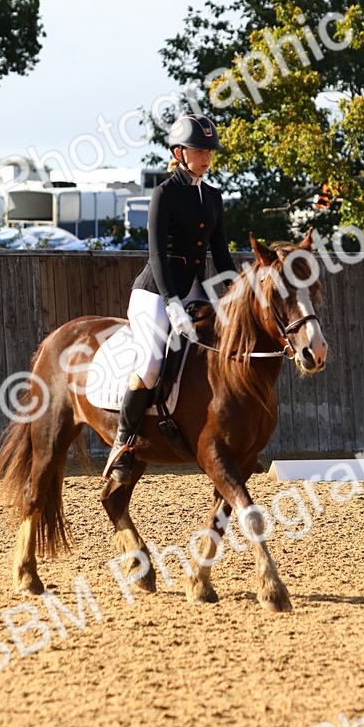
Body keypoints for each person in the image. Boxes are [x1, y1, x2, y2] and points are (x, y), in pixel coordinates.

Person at [104, 113, 237, 483]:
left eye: (210, 150)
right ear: (179, 152)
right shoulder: (164, 193)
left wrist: (239, 292)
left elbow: (221, 255)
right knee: (149, 363)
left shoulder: (212, 196)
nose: (207, 157)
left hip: (196, 287)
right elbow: (157, 255)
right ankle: (123, 444)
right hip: (155, 291)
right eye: (199, 150)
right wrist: (172, 302)